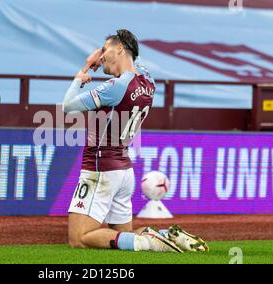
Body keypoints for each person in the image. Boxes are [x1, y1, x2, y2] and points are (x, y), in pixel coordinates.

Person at [63, 29, 208, 253]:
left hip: (101, 168)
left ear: (119, 49)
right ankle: (165, 236)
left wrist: (80, 75)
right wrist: (101, 54)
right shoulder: (148, 81)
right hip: (124, 170)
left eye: (105, 50)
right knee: (123, 239)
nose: (101, 57)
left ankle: (148, 240)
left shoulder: (116, 86)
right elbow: (134, 60)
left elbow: (68, 106)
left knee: (79, 238)